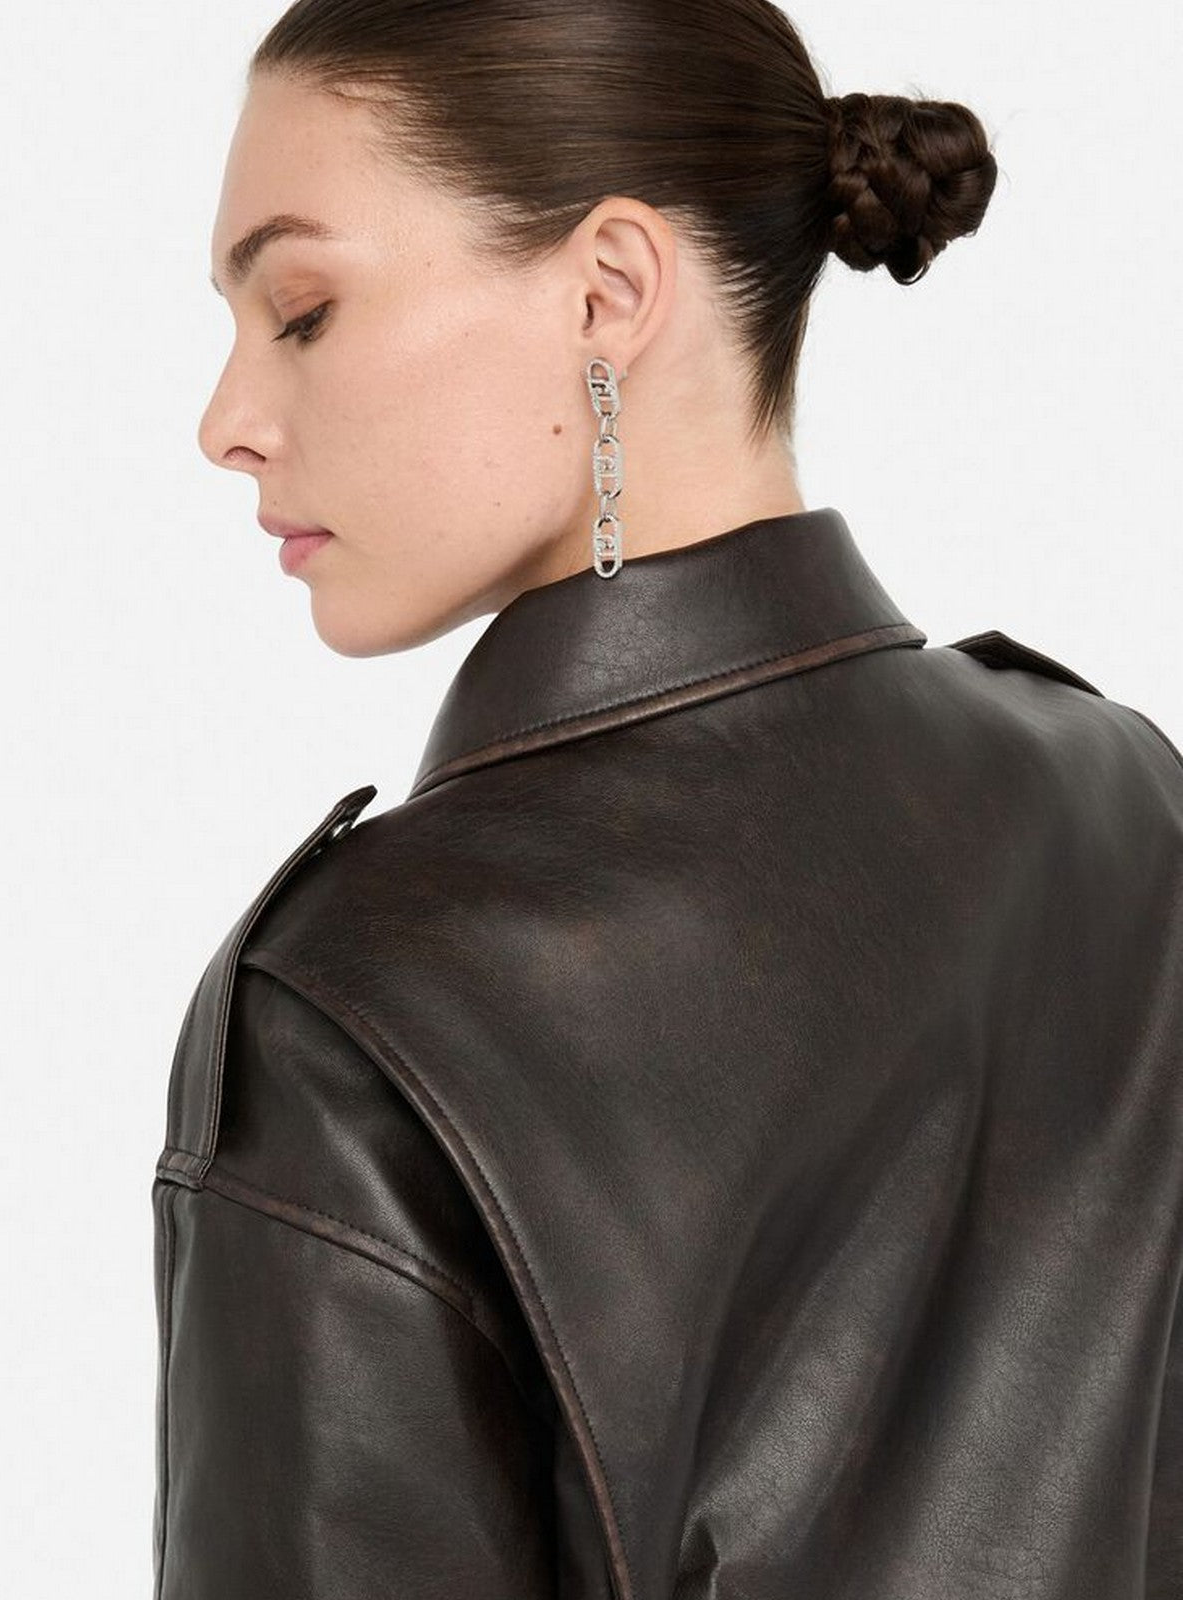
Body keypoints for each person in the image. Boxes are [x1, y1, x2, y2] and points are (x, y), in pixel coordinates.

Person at [151, 1, 1183, 1596]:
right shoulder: (1127, 796)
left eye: (302, 310)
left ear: (610, 291)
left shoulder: (360, 1005)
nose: (225, 422)